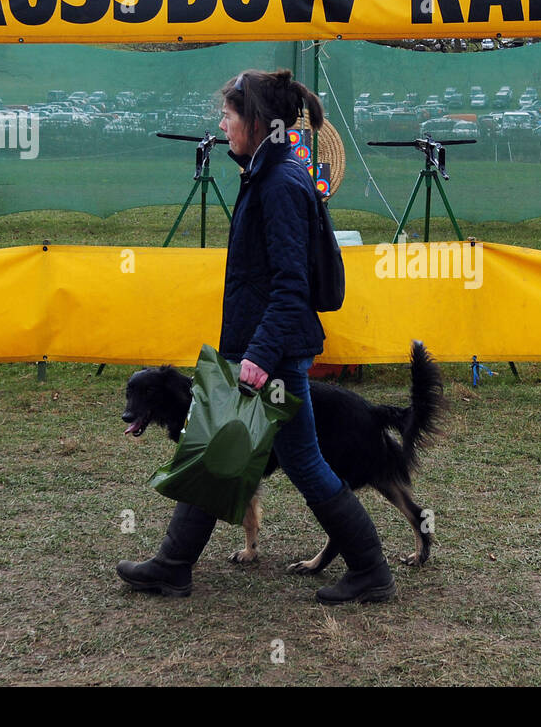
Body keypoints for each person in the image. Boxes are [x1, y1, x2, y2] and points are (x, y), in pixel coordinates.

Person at [118, 68, 396, 603]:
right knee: (224, 449)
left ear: (257, 122)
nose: (221, 125)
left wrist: (259, 355)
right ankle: (174, 565)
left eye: (228, 116)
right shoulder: (266, 173)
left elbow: (292, 287)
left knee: (295, 461)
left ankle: (370, 569)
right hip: (263, 349)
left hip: (272, 354)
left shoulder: (281, 184)